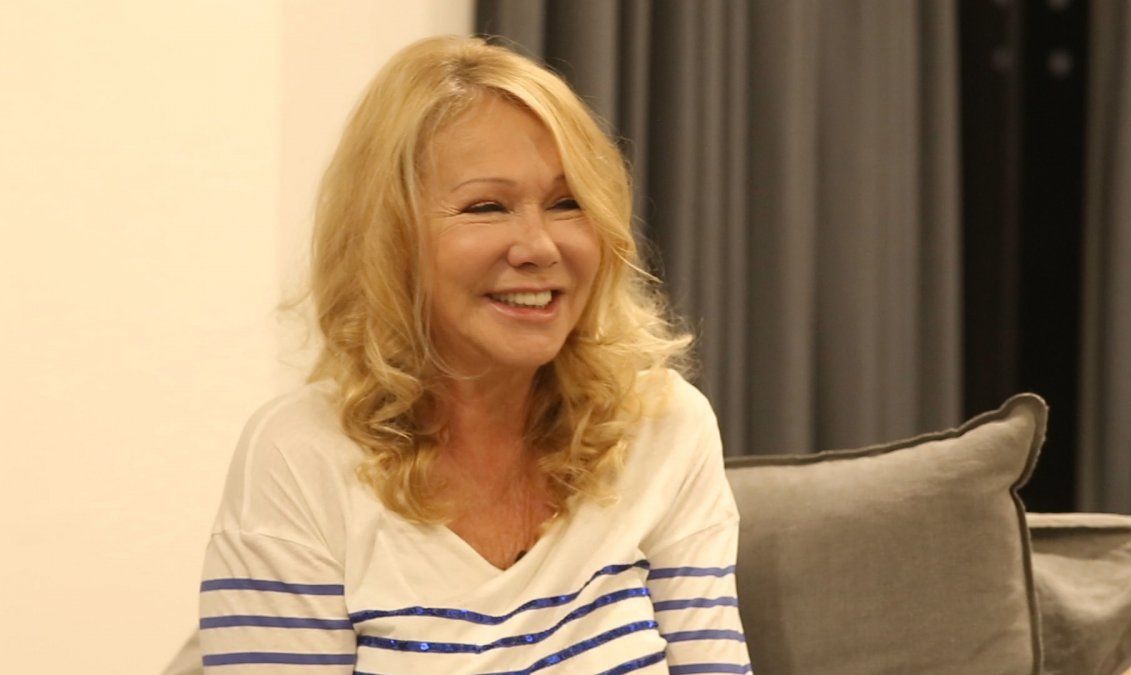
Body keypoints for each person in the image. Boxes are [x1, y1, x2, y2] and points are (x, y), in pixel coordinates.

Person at [198, 35, 751, 674]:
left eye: (567, 202)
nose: (539, 246)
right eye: (486, 207)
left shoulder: (664, 426)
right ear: (389, 239)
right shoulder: (298, 457)